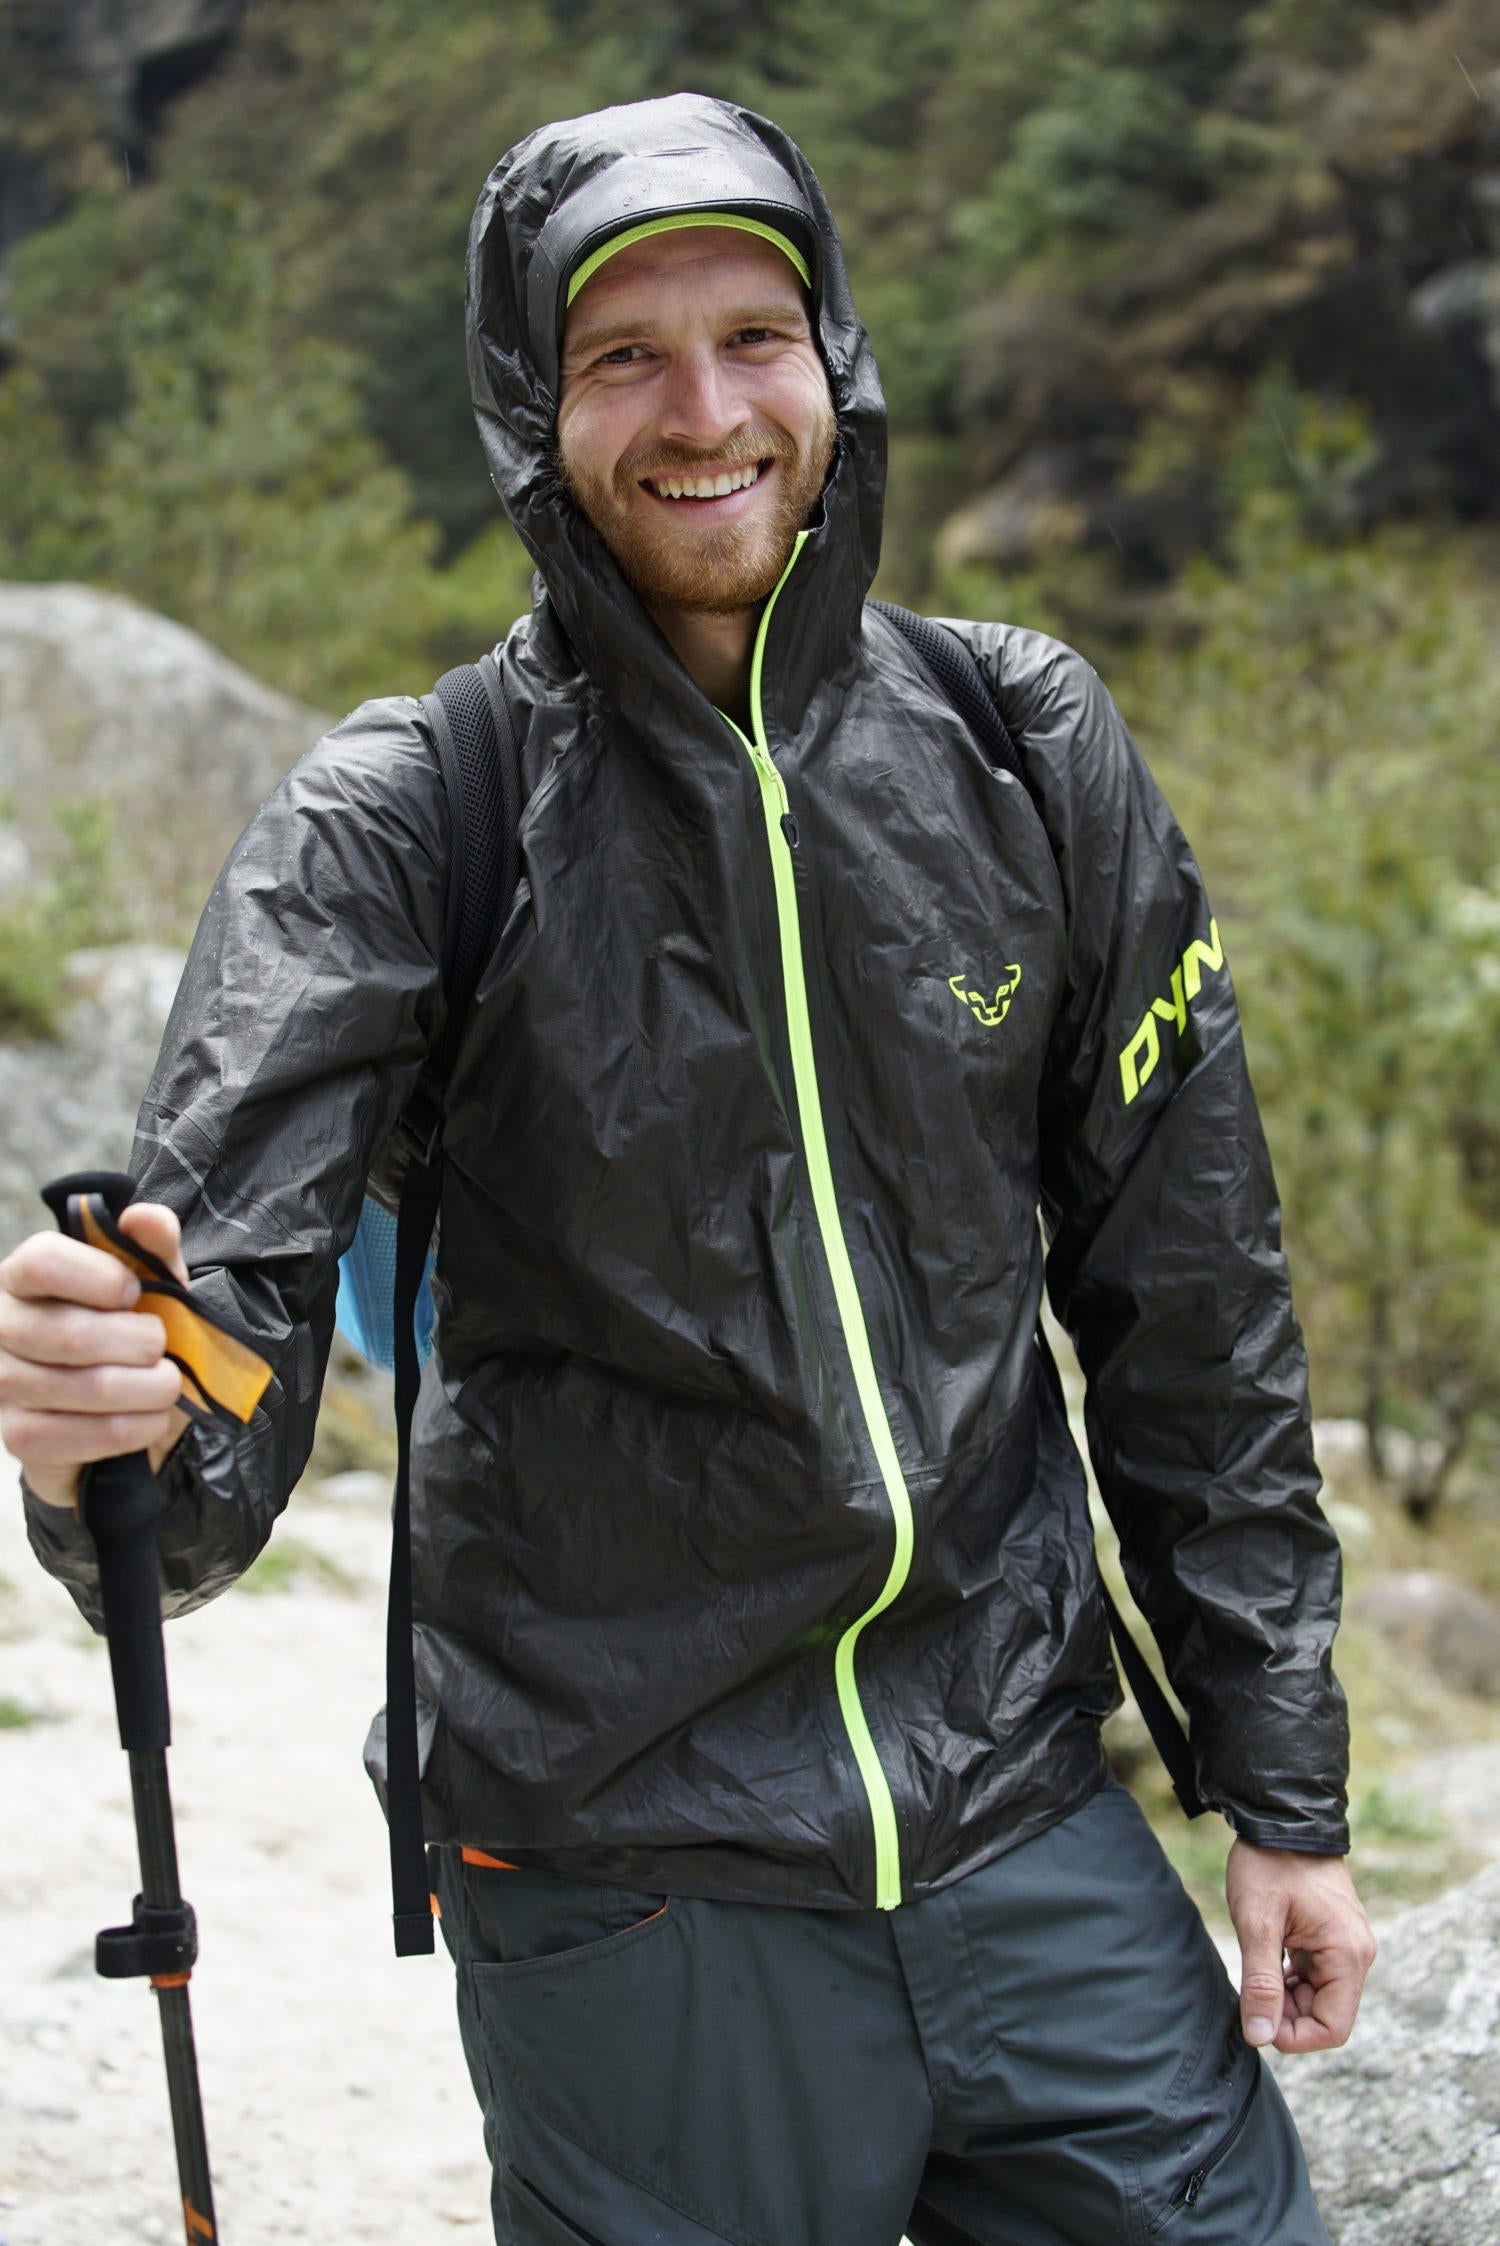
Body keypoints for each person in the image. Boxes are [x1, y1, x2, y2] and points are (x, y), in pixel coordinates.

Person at [4, 92, 1374, 2244]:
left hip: (1026, 1816)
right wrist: (125, 1411)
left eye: (756, 337)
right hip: (627, 1881)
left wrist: (1281, 1786)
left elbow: (1193, 1301)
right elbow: (208, 1383)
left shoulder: (1025, 745)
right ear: (528, 411)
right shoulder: (407, 820)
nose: (708, 412)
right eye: (624, 355)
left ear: (838, 365)